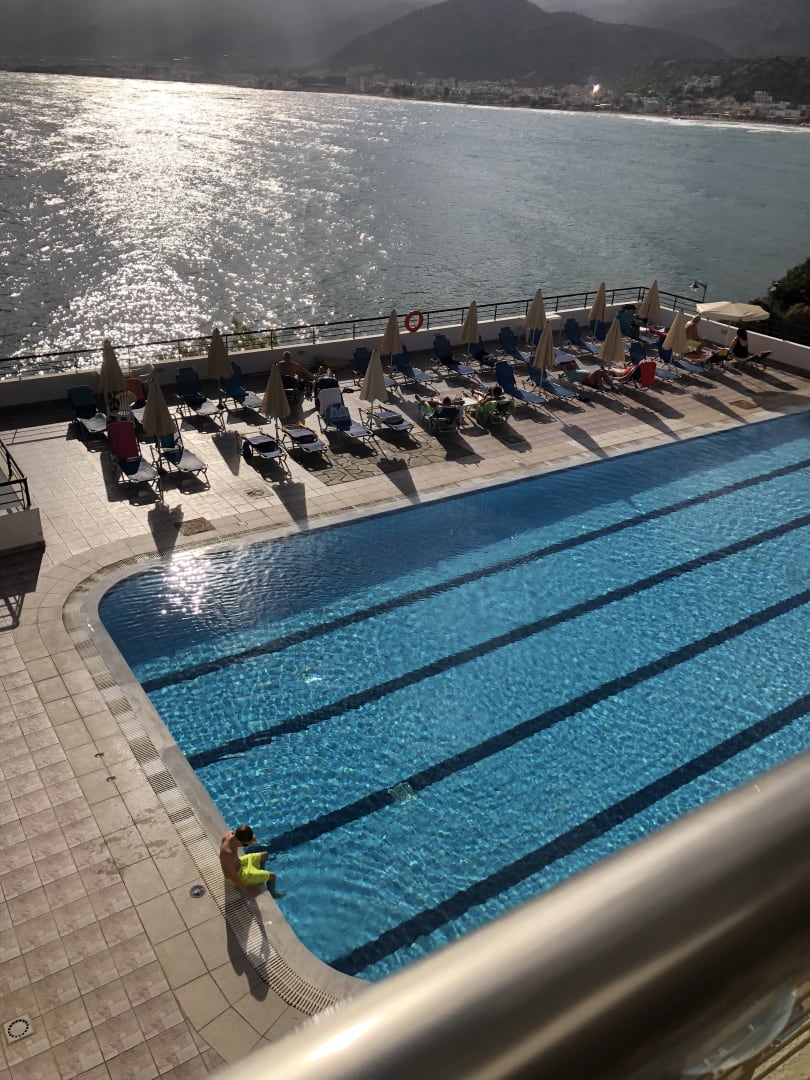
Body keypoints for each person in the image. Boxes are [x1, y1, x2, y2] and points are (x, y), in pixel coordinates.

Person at [220, 824, 284, 899]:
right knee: (272, 876)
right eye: (245, 844)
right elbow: (234, 877)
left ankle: (260, 873)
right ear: (239, 841)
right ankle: (273, 894)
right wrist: (247, 890)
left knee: (265, 854)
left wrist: (249, 841)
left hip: (240, 863)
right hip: (240, 876)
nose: (245, 845)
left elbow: (242, 840)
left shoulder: (230, 834)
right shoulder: (227, 854)